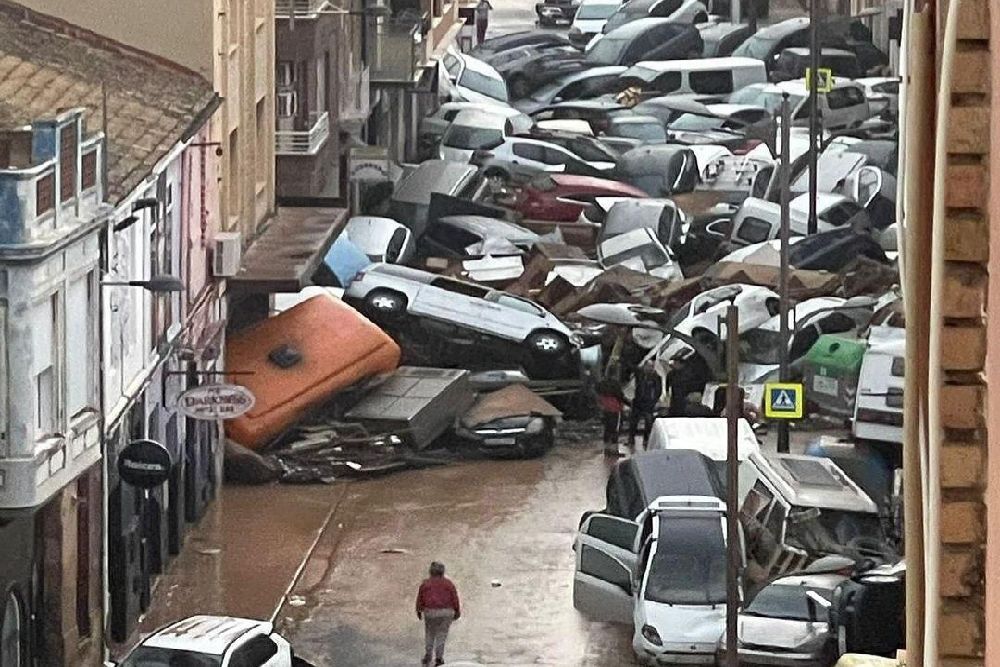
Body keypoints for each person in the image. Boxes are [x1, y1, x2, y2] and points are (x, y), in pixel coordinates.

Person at [416, 561, 461, 666]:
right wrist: (457, 611)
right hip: (446, 612)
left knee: (430, 633)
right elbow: (455, 598)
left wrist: (419, 610)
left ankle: (428, 655)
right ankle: (439, 658)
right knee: (442, 634)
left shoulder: (425, 584)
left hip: (430, 611)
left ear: (430, 571)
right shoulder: (448, 584)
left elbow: (420, 598)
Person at [628, 361, 663, 449]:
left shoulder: (656, 377)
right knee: (633, 422)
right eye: (647, 366)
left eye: (651, 366)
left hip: (648, 403)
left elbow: (658, 390)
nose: (649, 368)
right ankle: (631, 439)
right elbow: (633, 367)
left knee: (648, 422)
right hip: (638, 401)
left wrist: (654, 400)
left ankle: (646, 439)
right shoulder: (640, 374)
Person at [595, 378, 629, 457]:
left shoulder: (602, 385)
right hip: (615, 409)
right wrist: (630, 404)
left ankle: (607, 450)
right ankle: (614, 451)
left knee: (607, 429)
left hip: (606, 410)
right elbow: (620, 396)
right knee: (616, 430)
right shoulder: (615, 385)